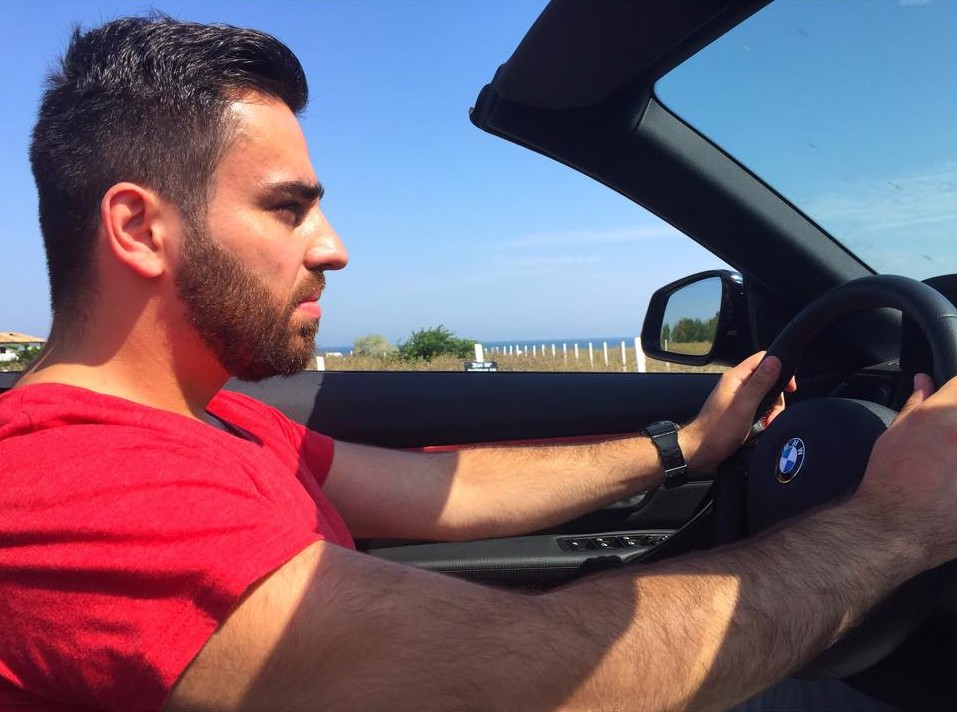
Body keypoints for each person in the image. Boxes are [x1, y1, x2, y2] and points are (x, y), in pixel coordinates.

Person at [1, 14, 954, 712]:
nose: (333, 248)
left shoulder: (215, 421)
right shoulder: (72, 486)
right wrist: (895, 524)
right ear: (139, 228)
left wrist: (684, 447)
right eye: (288, 208)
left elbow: (439, 494)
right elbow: (528, 680)